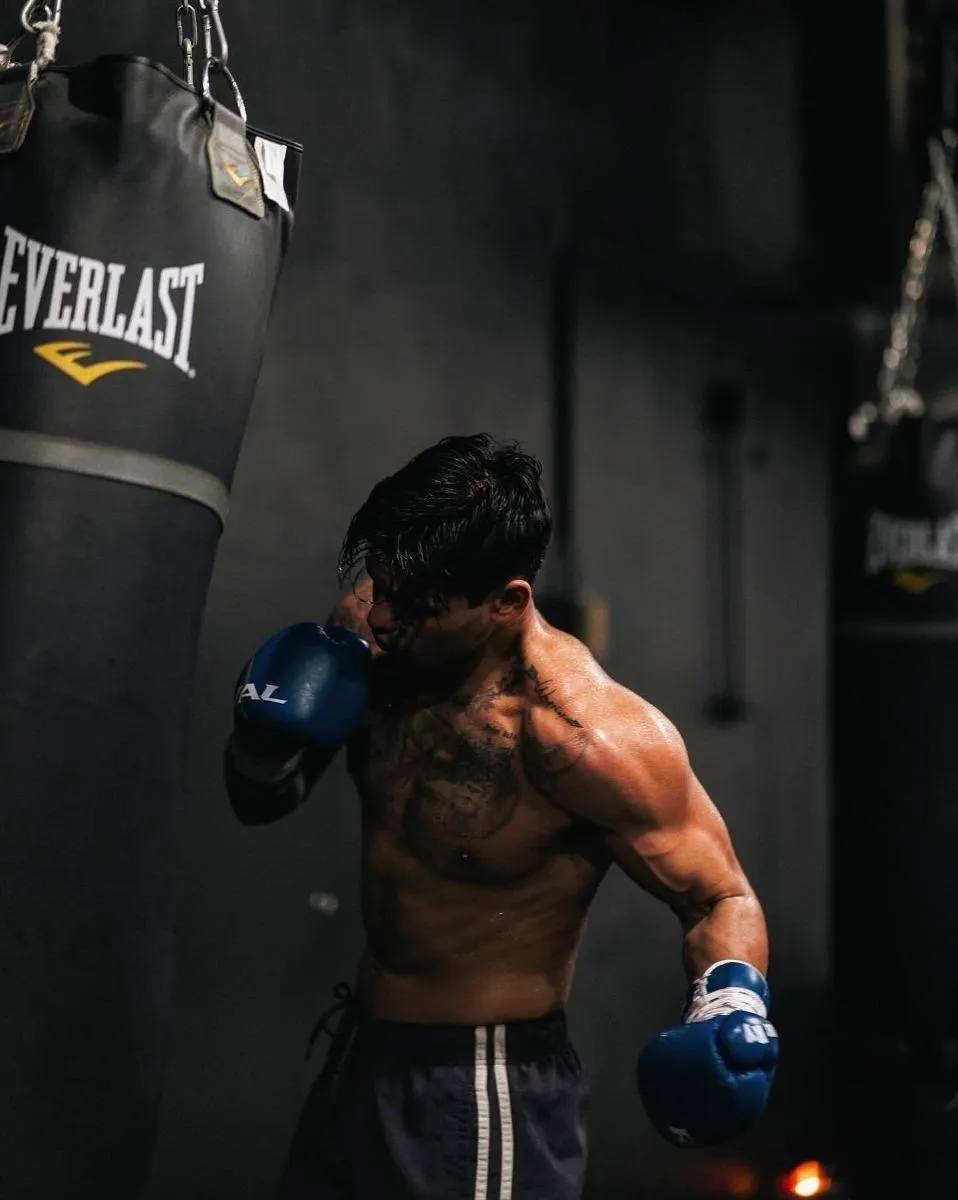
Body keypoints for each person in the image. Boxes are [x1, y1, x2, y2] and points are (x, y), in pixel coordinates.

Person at [224, 434, 778, 1200]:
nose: (379, 616)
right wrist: (263, 740)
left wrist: (731, 1003)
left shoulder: (587, 740)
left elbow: (722, 896)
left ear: (506, 602)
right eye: (377, 580)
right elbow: (259, 802)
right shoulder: (376, 629)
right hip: (359, 1061)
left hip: (480, 1089)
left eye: (415, 605)